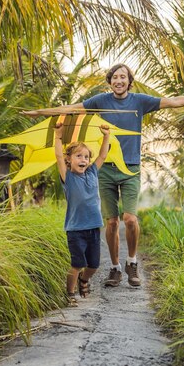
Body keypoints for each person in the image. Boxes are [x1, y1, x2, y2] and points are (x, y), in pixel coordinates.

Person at [27, 63, 184, 287]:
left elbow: (174, 102)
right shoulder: (100, 101)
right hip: (105, 171)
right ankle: (115, 268)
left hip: (131, 167)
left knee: (130, 219)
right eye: (115, 77)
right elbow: (71, 109)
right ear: (110, 81)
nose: (119, 81)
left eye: (123, 77)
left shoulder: (140, 101)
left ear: (129, 81)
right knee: (112, 222)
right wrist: (39, 113)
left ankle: (131, 262)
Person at [54, 121, 110, 306]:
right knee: (77, 264)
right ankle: (70, 294)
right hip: (76, 229)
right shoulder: (68, 177)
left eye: (86, 157)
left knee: (93, 265)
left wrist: (106, 136)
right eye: (79, 156)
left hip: (94, 227)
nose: (83, 160)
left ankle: (84, 281)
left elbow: (102, 155)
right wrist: (58, 136)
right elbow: (58, 157)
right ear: (69, 159)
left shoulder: (93, 172)